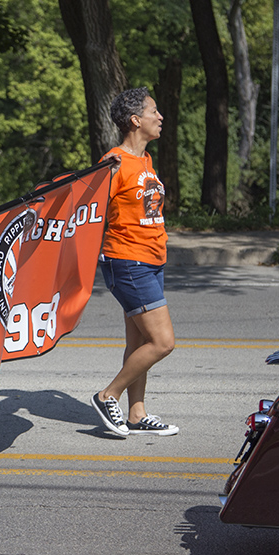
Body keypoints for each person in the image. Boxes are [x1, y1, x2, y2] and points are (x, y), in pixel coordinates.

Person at [90, 87, 178, 438]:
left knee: (140, 343)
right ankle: (107, 394)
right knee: (162, 342)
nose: (160, 117)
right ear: (135, 120)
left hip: (152, 260)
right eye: (154, 112)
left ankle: (137, 414)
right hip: (127, 262)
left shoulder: (145, 161)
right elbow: (90, 213)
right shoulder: (113, 163)